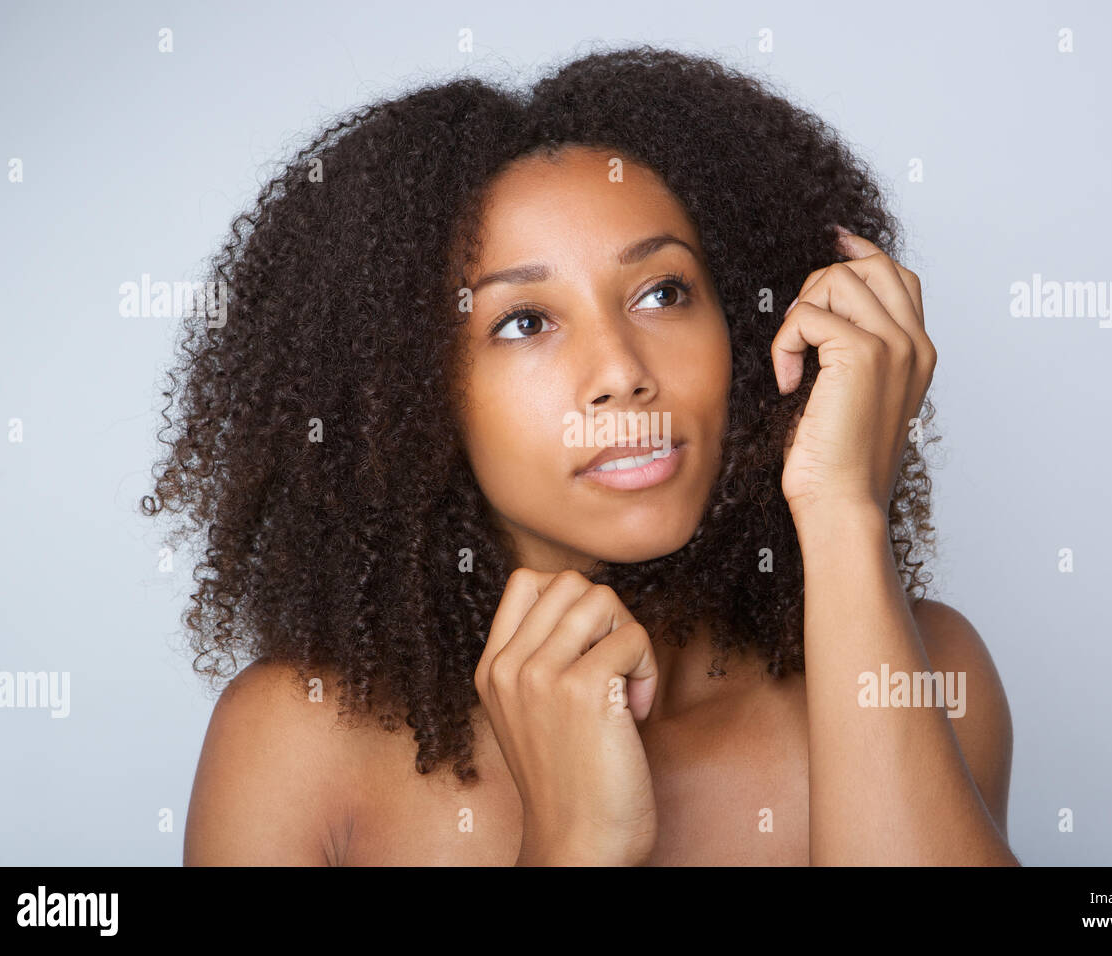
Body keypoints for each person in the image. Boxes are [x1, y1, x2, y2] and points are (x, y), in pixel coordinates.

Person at [144, 45, 1016, 865]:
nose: (622, 374)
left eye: (663, 292)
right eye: (524, 321)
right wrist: (573, 844)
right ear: (406, 393)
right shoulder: (297, 745)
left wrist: (841, 509)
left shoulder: (924, 668)